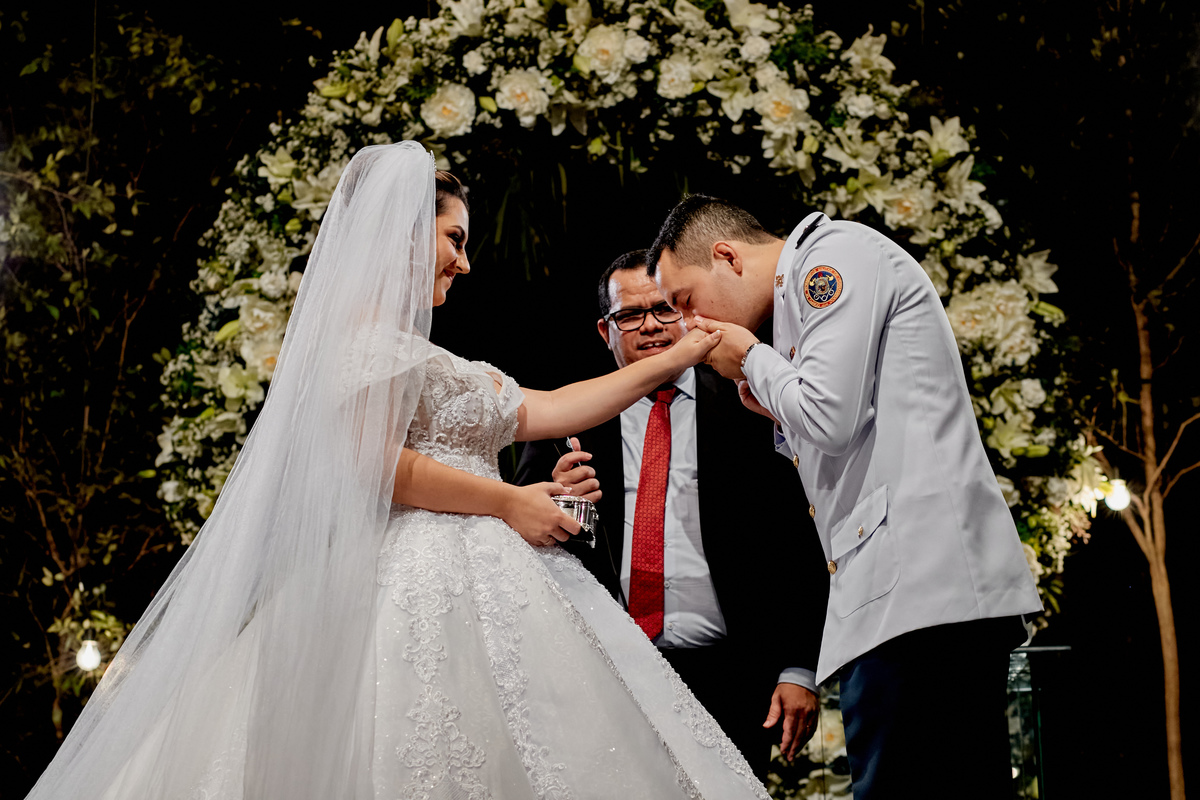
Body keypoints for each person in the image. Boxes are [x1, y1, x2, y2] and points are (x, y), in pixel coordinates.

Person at [24, 145, 775, 800]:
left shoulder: (427, 356)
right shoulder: (362, 344)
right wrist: (507, 501)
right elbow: (377, 465)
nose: (464, 259)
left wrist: (680, 353)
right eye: (452, 238)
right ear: (403, 233)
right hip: (407, 580)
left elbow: (553, 407)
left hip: (490, 574)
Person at [647, 195, 1043, 799]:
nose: (691, 324)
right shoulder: (798, 300)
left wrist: (754, 359)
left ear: (726, 257)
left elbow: (830, 418)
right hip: (909, 597)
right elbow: (844, 441)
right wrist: (769, 396)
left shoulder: (829, 259)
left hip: (920, 594)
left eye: (685, 301)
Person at [513, 251, 829, 778]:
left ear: (688, 316)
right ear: (605, 330)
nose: (652, 326)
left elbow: (798, 536)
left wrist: (799, 666)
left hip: (734, 671)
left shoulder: (748, 404)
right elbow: (516, 539)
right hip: (606, 671)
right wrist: (558, 500)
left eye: (664, 309)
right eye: (630, 315)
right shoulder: (567, 417)